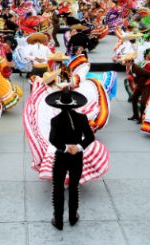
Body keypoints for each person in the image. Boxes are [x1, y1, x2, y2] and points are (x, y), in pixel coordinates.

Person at [47, 89, 96, 230]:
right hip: (77, 157)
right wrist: (78, 147)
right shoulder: (82, 118)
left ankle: (58, 220)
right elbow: (90, 137)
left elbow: (53, 139)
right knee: (74, 186)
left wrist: (65, 147)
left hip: (62, 157)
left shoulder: (55, 120)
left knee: (58, 187)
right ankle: (73, 217)